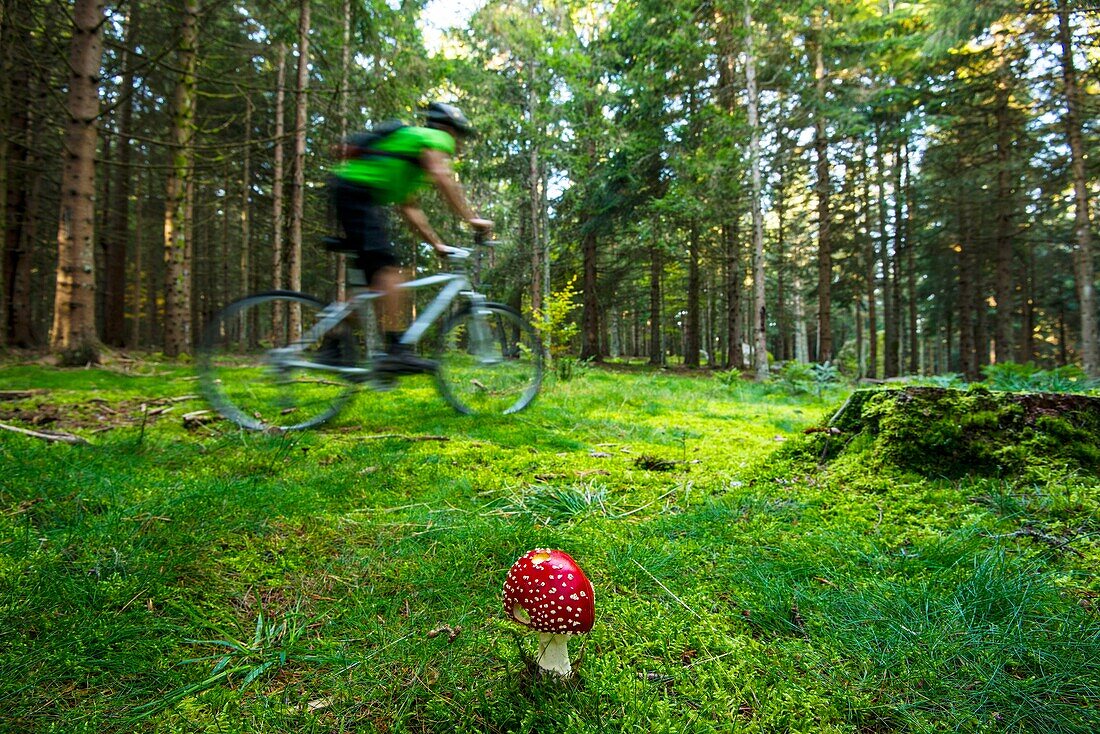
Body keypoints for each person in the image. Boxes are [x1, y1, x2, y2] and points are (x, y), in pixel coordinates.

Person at [330, 101, 493, 374]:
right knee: (391, 273)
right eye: (459, 136)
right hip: (355, 193)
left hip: (352, 193)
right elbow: (443, 177)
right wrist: (471, 218)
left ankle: (332, 346)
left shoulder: (408, 160)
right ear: (450, 130)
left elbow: (410, 209)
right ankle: (397, 351)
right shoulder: (434, 136)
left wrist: (438, 244)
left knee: (375, 285)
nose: (458, 144)